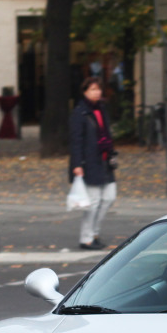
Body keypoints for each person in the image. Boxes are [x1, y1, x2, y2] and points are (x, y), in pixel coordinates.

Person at [69, 76, 117, 249]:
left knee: (109, 197)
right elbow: (76, 140)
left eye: (98, 89)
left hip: (105, 160)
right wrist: (77, 164)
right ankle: (87, 237)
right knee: (94, 201)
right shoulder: (80, 112)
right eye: (93, 90)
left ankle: (94, 232)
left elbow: (107, 134)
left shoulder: (101, 109)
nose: (97, 92)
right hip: (89, 162)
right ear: (85, 92)